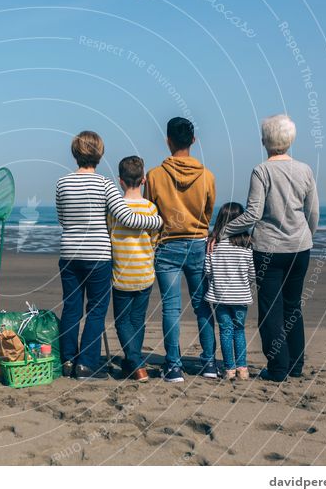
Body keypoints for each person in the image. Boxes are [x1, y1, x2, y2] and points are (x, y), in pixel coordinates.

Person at [214, 114, 319, 382]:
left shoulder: (262, 170)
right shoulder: (305, 170)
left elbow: (252, 214)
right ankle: (295, 365)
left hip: (269, 249)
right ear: (290, 139)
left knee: (271, 310)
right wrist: (307, 235)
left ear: (265, 141)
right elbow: (313, 212)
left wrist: (223, 231)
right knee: (293, 306)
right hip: (300, 247)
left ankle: (278, 368)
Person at [56, 131, 162, 381]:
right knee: (96, 309)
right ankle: (86, 365)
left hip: (69, 252)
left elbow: (62, 218)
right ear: (100, 154)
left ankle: (68, 360)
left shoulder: (62, 183)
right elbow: (127, 217)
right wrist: (156, 221)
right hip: (98, 255)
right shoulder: (105, 184)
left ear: (75, 154)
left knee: (71, 307)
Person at [144, 117, 217, 383]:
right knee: (202, 306)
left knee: (171, 309)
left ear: (168, 141)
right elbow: (208, 212)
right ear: (194, 141)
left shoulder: (154, 175)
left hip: (167, 244)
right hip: (198, 243)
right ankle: (210, 363)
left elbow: (150, 211)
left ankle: (173, 366)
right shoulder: (207, 176)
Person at [108, 156, 160, 383]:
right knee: (137, 320)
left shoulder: (114, 210)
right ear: (144, 180)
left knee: (122, 321)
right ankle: (133, 363)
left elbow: (109, 236)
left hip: (122, 273)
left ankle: (136, 364)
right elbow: (155, 239)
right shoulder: (150, 208)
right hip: (145, 272)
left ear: (120, 181)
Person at [205, 202, 255, 381]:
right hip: (241, 296)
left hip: (220, 296)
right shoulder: (247, 245)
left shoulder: (213, 245)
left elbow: (208, 271)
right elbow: (252, 273)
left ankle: (229, 369)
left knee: (226, 330)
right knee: (239, 330)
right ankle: (243, 369)